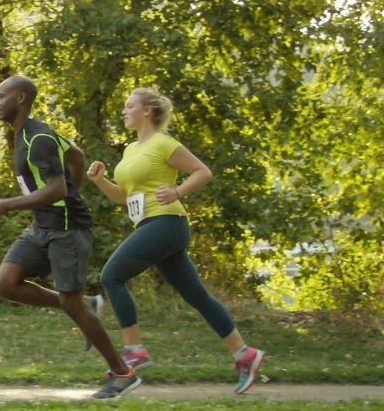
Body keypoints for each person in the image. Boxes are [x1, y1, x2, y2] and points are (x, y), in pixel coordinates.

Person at [87, 87, 265, 395]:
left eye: (129, 106)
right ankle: (244, 355)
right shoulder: (131, 150)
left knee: (111, 276)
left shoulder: (164, 143)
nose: (124, 111)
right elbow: (123, 197)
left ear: (147, 111)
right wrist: (101, 180)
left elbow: (202, 172)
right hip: (150, 224)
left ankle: (134, 351)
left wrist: (178, 191)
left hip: (167, 223)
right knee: (197, 296)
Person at [0, 76, 141, 400]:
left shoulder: (37, 138)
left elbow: (57, 188)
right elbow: (77, 154)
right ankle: (87, 306)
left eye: (2, 95)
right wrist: (70, 191)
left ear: (21, 98)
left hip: (66, 228)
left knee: (71, 301)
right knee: (5, 284)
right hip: (42, 225)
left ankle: (123, 373)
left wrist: (7, 204)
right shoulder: (28, 133)